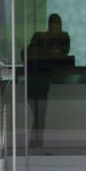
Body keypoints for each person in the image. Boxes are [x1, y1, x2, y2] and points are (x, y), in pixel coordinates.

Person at [26, 13, 70, 148]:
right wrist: (50, 53)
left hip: (33, 86)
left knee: (38, 117)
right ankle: (36, 144)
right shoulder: (39, 57)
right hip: (40, 86)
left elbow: (63, 53)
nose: (55, 25)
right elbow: (53, 60)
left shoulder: (29, 53)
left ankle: (35, 144)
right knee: (40, 117)